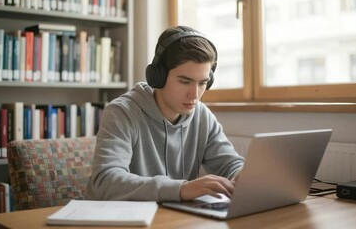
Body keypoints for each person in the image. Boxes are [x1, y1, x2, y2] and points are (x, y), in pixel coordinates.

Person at [84, 25, 244, 202]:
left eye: (202, 83)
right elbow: (105, 182)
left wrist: (244, 175)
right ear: (157, 76)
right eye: (185, 82)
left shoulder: (202, 116)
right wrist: (181, 188)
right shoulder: (122, 113)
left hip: (171, 219)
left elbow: (231, 164)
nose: (195, 94)